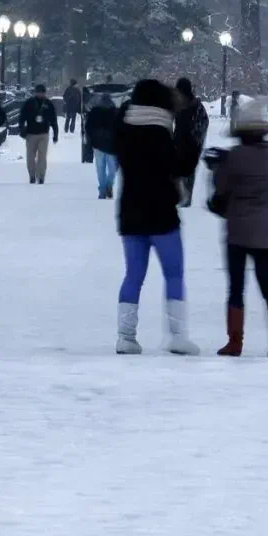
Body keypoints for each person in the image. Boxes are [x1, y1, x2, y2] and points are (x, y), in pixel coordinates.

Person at [112, 79, 196, 353]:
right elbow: (180, 166)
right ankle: (176, 335)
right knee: (174, 272)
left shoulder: (124, 131)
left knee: (133, 274)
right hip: (161, 213)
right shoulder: (161, 133)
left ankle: (125, 336)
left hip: (130, 212)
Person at [206, 97, 268, 355]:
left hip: (238, 230)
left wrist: (216, 169)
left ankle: (235, 342)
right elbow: (254, 164)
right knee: (267, 284)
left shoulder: (235, 157)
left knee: (236, 287)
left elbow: (219, 196)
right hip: (266, 229)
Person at [173, 76, 209, 201]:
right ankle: (181, 197)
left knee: (186, 172)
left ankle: (185, 199)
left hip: (189, 145)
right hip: (181, 144)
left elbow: (204, 124)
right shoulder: (180, 105)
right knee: (180, 172)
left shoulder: (195, 106)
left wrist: (196, 138)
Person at [83, 88, 122, 198]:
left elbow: (88, 128)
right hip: (112, 145)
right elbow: (121, 129)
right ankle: (108, 186)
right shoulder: (116, 112)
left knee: (100, 168)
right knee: (113, 168)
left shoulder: (94, 112)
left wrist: (91, 141)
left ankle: (103, 188)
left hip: (97, 145)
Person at [16, 82, 58, 182]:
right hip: (31, 134)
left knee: (42, 156)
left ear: (44, 93)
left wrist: (55, 134)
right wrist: (22, 129)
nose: (40, 94)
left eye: (42, 92)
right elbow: (22, 117)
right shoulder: (29, 103)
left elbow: (53, 120)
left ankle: (41, 176)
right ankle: (32, 175)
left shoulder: (48, 104)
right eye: (38, 92)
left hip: (44, 133)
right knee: (30, 156)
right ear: (35, 93)